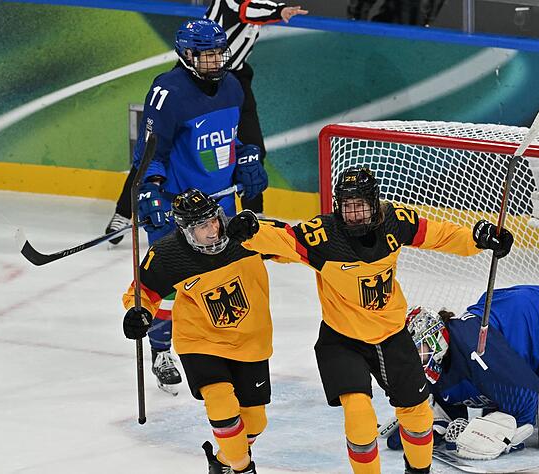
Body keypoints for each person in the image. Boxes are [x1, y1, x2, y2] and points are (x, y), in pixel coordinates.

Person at [224, 166, 515, 473]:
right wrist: (252, 232)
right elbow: (282, 240)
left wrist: (477, 239)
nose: (353, 213)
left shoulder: (396, 221)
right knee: (359, 417)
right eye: (347, 206)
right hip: (342, 340)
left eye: (360, 205)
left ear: (375, 203)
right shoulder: (323, 236)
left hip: (392, 334)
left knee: (418, 415)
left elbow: (439, 235)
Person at [123, 18, 270, 392]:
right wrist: (150, 189)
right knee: (171, 285)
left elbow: (229, 142)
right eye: (206, 55)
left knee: (227, 279)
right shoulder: (168, 92)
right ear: (186, 56)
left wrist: (246, 158)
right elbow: (151, 152)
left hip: (222, 207)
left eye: (219, 52)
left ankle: (223, 347)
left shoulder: (232, 86)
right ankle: (161, 351)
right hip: (180, 208)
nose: (215, 61)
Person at [122, 189, 274, 474]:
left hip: (250, 341)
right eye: (203, 226)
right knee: (221, 403)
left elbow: (292, 244)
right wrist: (138, 312)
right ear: (186, 231)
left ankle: (223, 463)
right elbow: (142, 293)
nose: (213, 230)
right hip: (201, 341)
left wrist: (259, 227)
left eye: (214, 220)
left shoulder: (243, 236)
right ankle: (243, 469)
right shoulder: (169, 254)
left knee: (255, 422)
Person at [387, 285, 539, 460]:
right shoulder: (438, 360)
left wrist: (504, 427)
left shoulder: (474, 347)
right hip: (515, 328)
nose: (413, 360)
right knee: (501, 390)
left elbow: (525, 393)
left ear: (435, 338)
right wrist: (427, 421)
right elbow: (449, 402)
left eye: (418, 350)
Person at [205, 0, 307, 215]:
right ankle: (128, 210)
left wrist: (278, 10)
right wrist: (280, 10)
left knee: (252, 149)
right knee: (195, 148)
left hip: (235, 79)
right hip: (203, 80)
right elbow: (245, 9)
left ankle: (254, 214)